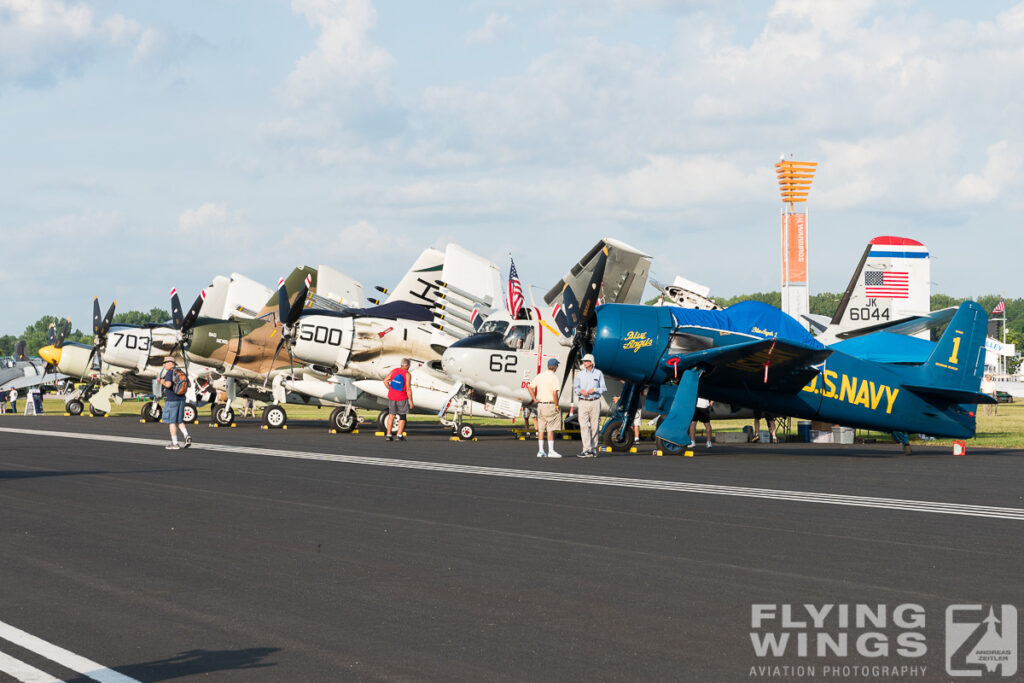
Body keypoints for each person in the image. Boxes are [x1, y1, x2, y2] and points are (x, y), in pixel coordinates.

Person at [527, 358, 563, 458]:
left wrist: (534, 398)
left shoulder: (540, 376)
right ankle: (551, 451)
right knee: (550, 428)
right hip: (550, 405)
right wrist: (556, 405)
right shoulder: (554, 377)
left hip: (540, 405)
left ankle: (541, 451)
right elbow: (554, 393)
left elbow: (530, 387)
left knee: (541, 429)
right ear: (555, 367)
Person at [573, 353, 606, 457]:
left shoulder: (599, 373)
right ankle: (586, 449)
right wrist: (580, 391)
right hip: (583, 401)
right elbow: (576, 388)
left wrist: (595, 389)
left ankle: (593, 448)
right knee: (583, 426)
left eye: (586, 361)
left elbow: (604, 388)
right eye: (584, 361)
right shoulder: (580, 374)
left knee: (595, 426)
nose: (584, 362)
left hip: (595, 401)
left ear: (591, 363)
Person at [159, 357, 191, 450]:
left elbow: (168, 384)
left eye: (165, 363)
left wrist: (162, 382)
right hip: (182, 399)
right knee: (180, 421)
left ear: (170, 363)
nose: (164, 365)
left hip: (172, 400)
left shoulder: (170, 372)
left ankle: (175, 443)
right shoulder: (181, 372)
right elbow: (189, 384)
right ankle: (186, 436)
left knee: (171, 422)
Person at [383, 358, 413, 441]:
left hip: (392, 396)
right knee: (402, 416)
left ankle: (388, 435)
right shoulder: (407, 374)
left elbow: (385, 381)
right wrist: (411, 401)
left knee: (391, 415)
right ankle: (399, 435)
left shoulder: (394, 370)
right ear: (407, 366)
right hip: (402, 397)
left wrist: (391, 389)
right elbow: (408, 389)